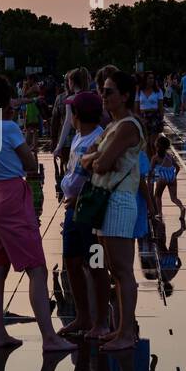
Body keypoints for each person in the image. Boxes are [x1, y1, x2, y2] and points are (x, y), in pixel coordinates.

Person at [0, 74, 72, 353]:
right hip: (11, 197)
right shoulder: (9, 127)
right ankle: (49, 337)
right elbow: (30, 163)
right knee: (36, 269)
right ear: (5, 102)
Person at [80, 71, 144, 352]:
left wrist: (96, 159)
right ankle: (120, 329)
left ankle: (127, 332)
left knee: (121, 270)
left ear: (125, 95)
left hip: (118, 201)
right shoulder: (112, 126)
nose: (103, 96)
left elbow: (100, 164)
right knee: (112, 268)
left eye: (109, 91)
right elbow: (86, 159)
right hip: (106, 201)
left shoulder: (128, 127)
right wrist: (96, 159)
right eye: (103, 91)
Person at [57, 90, 106, 338]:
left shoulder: (98, 140)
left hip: (89, 213)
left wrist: (77, 198)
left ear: (78, 114)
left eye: (71, 110)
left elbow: (99, 178)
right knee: (72, 261)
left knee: (96, 264)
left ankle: (101, 320)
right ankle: (82, 316)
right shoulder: (79, 136)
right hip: (72, 211)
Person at [152, 134, 185, 217]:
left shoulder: (155, 158)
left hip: (162, 178)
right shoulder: (170, 156)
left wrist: (151, 179)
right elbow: (177, 167)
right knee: (174, 198)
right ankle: (181, 207)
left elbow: (150, 171)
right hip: (172, 176)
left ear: (157, 146)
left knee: (158, 196)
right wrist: (174, 176)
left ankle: (159, 213)